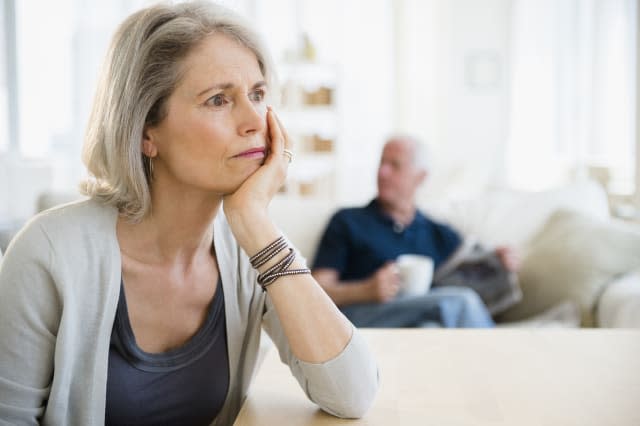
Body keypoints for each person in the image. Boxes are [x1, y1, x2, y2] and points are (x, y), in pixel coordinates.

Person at [0, 2, 377, 425]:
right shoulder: (48, 254)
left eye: (257, 94)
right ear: (146, 131)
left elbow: (353, 394)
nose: (256, 120)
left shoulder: (250, 249)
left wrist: (256, 223)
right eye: (219, 99)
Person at [312, 135, 519, 328]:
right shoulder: (348, 221)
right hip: (363, 318)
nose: (383, 172)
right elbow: (315, 291)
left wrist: (497, 260)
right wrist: (366, 290)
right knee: (459, 302)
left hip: (420, 323)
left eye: (395, 165)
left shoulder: (439, 233)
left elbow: (469, 265)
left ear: (420, 177)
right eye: (382, 163)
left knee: (431, 327)